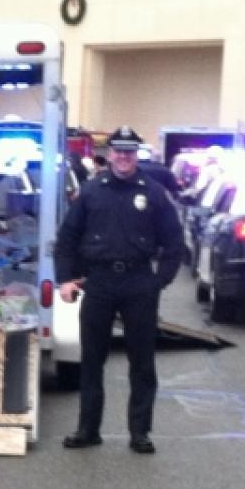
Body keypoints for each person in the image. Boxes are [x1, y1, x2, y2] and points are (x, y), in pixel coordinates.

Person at [55, 125, 184, 454]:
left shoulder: (154, 193)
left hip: (139, 283)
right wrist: (65, 279)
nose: (124, 157)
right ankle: (88, 429)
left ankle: (140, 432)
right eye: (118, 151)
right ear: (109, 154)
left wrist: (160, 281)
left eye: (129, 152)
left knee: (141, 362)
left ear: (136, 154)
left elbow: (174, 244)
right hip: (98, 283)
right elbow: (67, 239)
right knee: (92, 359)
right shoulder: (90, 191)